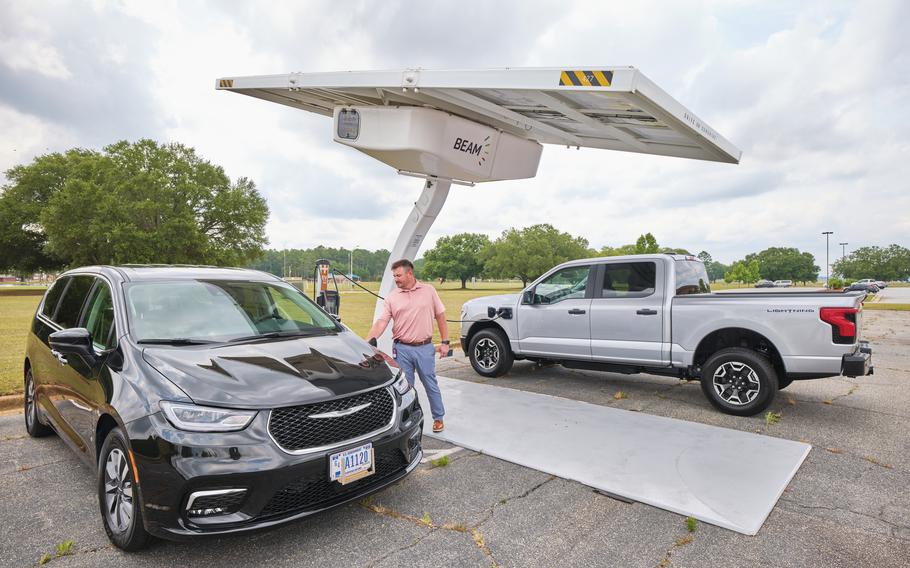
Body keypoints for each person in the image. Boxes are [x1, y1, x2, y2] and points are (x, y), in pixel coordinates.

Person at [366, 259, 449, 433]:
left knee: (430, 383)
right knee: (404, 388)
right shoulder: (392, 297)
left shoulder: (429, 291)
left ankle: (438, 418)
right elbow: (382, 321)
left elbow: (440, 316)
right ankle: (407, 421)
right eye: (394, 276)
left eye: (398, 275)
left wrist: (445, 342)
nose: (396, 279)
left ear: (410, 273)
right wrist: (367, 342)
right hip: (401, 349)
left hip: (425, 348)